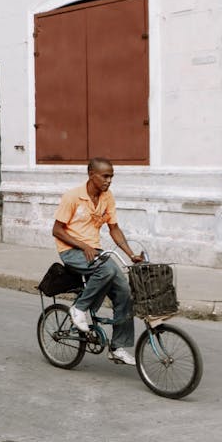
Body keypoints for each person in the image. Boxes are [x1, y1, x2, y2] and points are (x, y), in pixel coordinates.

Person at [51, 157, 143, 366]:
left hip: (94, 251)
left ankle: (117, 347)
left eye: (111, 176)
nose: (109, 180)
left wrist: (131, 254)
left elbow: (114, 229)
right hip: (71, 251)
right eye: (105, 176)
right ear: (92, 175)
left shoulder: (107, 197)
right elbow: (56, 230)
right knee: (107, 270)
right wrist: (83, 246)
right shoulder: (72, 197)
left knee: (125, 293)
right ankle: (79, 308)